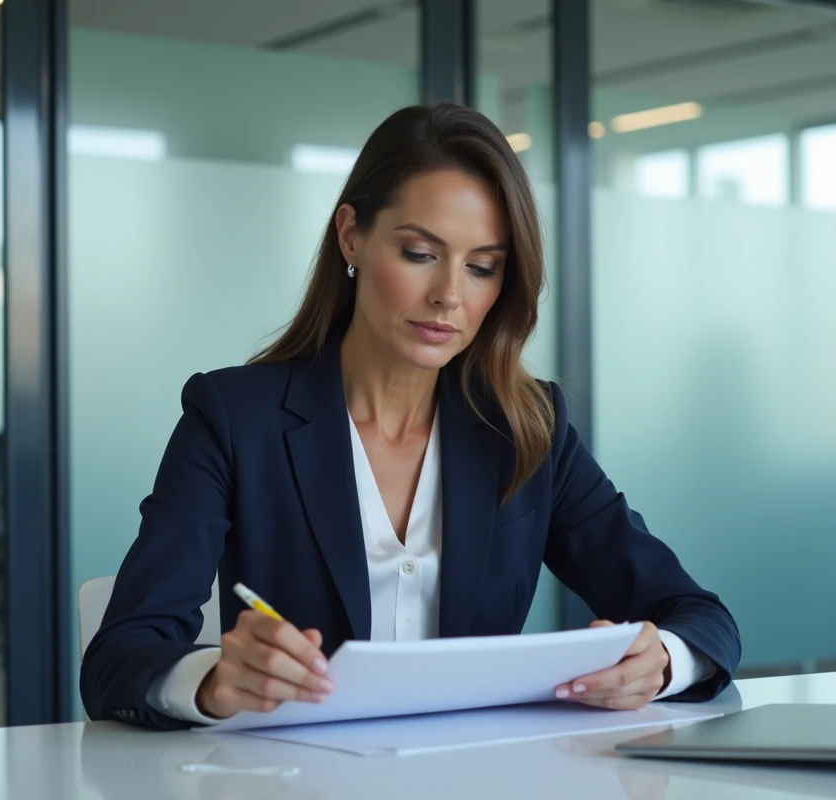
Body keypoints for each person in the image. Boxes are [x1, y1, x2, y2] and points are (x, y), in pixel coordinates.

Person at [80, 103, 740, 730]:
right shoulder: (233, 420)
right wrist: (213, 679)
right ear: (352, 237)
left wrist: (663, 664)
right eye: (420, 254)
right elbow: (120, 656)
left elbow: (697, 616)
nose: (449, 295)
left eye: (483, 267)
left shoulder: (528, 430)